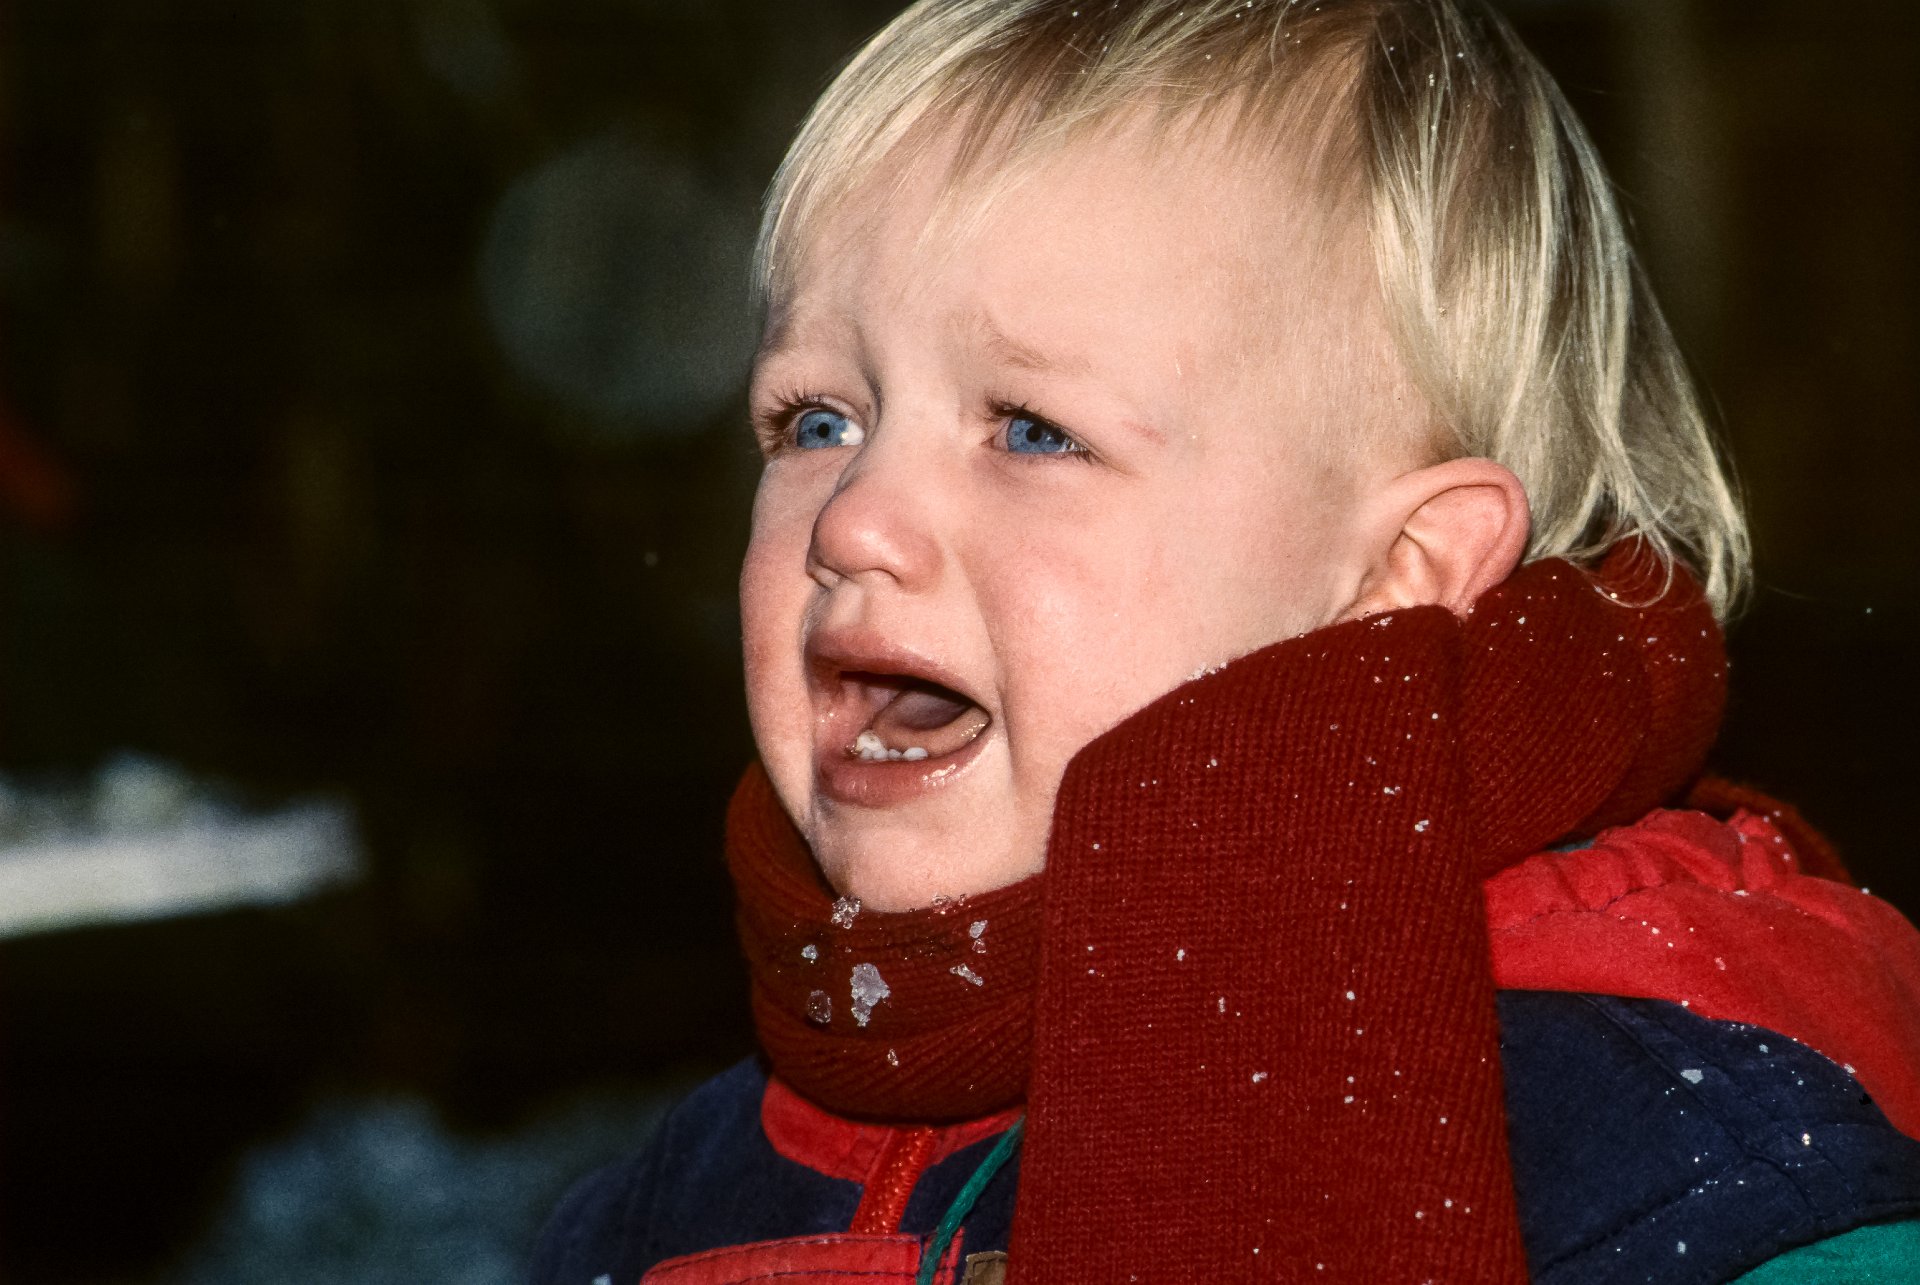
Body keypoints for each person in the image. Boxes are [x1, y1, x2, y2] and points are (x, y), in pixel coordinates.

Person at [533, 1, 1920, 1281]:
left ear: (1396, 576)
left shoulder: (1661, 1144)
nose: (854, 520)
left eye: (1033, 430)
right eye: (817, 419)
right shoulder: (688, 1190)